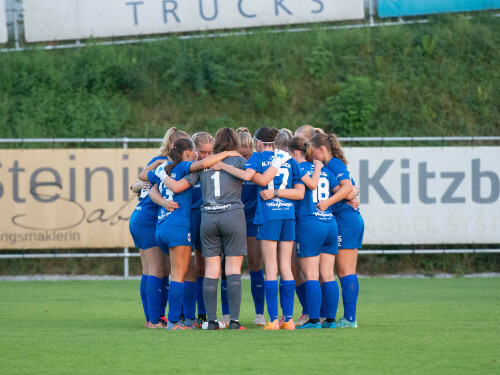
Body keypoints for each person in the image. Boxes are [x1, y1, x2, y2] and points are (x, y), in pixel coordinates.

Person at [142, 138, 239, 330]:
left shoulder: (166, 168)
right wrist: (228, 153)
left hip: (161, 225)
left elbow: (145, 179)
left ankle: (183, 318)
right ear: (187, 153)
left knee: (181, 272)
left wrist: (161, 195)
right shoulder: (184, 167)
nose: (197, 154)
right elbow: (202, 164)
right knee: (179, 275)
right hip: (178, 225)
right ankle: (174, 322)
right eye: (195, 150)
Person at [216, 126, 306, 330]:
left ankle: (273, 320)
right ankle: (288, 320)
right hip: (288, 216)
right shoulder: (289, 159)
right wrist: (279, 194)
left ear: (257, 143)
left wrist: (223, 166)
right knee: (286, 267)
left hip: (269, 216)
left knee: (271, 267)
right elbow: (299, 193)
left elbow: (249, 177)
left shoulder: (257, 158)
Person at [287, 137, 352, 329]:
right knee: (328, 275)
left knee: (311, 275)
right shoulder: (324, 170)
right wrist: (352, 198)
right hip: (330, 224)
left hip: (309, 224)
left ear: (294, 152)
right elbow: (345, 192)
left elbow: (296, 193)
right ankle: (330, 320)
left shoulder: (296, 168)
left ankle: (314, 320)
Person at [128, 127, 188, 329]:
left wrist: (137, 185)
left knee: (149, 270)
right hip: (147, 218)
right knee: (158, 269)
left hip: (139, 217)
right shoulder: (168, 164)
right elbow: (141, 182)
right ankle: (154, 320)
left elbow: (139, 182)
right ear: (175, 146)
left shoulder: (159, 161)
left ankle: (152, 318)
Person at [309, 133, 365, 328]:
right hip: (349, 218)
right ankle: (342, 317)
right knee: (343, 271)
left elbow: (348, 187)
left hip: (345, 219)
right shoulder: (331, 165)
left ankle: (350, 319)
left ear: (321, 150)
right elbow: (351, 189)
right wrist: (350, 194)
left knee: (344, 271)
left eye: (312, 149)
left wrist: (329, 202)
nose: (311, 153)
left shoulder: (333, 164)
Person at [235, 127, 266, 326]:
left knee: (255, 264)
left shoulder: (257, 163)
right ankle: (228, 314)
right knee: (230, 267)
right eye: (240, 148)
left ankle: (259, 314)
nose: (244, 152)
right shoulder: (231, 164)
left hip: (253, 220)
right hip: (233, 219)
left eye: (247, 148)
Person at [190, 132, 215, 323]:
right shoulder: (187, 167)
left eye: (209, 152)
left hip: (207, 216)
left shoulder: (215, 167)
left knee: (204, 268)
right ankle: (182, 314)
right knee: (180, 268)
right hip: (186, 217)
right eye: (201, 152)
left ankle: (202, 314)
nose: (205, 157)